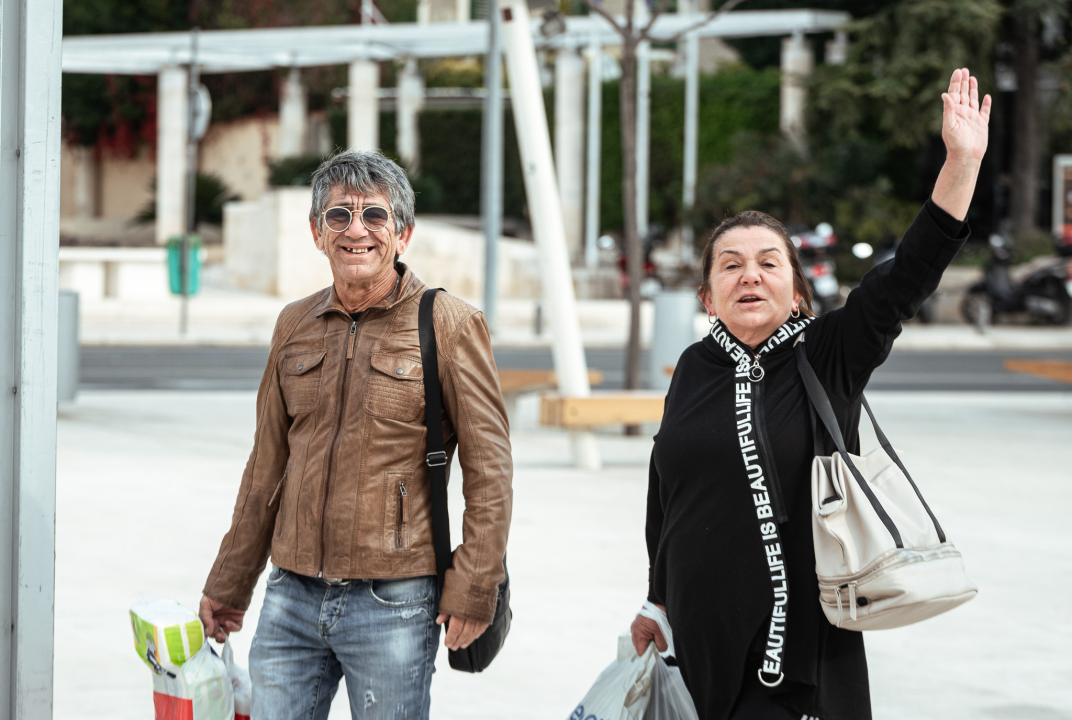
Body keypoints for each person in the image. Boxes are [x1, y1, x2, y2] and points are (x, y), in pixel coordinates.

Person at [631, 69, 990, 720]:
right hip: (700, 647)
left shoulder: (828, 352)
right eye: (731, 264)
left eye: (769, 262)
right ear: (707, 298)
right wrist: (655, 599)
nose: (750, 275)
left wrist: (961, 164)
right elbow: (668, 488)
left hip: (799, 659)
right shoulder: (693, 366)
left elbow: (907, 275)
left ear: (796, 291)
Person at [198, 150, 513, 720]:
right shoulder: (293, 324)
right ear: (318, 233)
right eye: (339, 215)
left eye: (375, 215)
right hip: (290, 594)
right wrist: (230, 580)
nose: (357, 230)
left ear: (404, 233)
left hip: (394, 600)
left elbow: (491, 472)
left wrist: (474, 585)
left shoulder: (448, 322)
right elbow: (265, 466)